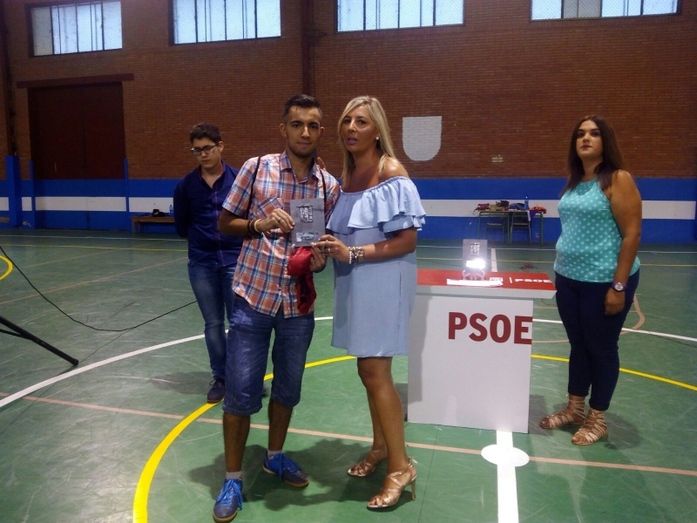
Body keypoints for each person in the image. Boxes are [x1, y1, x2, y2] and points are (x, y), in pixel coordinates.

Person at [211, 94, 340, 523]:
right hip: (253, 299)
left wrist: (319, 260)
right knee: (240, 393)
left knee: (287, 390)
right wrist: (259, 224)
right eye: (297, 124)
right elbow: (225, 223)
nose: (305, 132)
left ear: (321, 132)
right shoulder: (256, 168)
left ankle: (275, 456)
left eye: (313, 125)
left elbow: (319, 246)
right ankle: (232, 478)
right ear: (282, 128)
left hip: (297, 307)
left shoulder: (328, 186)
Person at [318, 96, 426, 510]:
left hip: (383, 281)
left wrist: (352, 253)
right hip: (356, 281)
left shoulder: (390, 172)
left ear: (377, 130)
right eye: (347, 120)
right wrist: (329, 248)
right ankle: (381, 446)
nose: (351, 128)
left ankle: (400, 466)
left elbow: (406, 240)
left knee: (375, 370)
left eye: (361, 121)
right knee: (369, 371)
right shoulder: (347, 177)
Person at [539, 115, 641, 445]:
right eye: (580, 134)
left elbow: (632, 234)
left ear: (605, 141)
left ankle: (597, 418)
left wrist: (618, 286)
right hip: (569, 279)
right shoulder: (575, 182)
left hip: (604, 281)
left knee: (602, 348)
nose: (586, 138)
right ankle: (574, 409)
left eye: (594, 134)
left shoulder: (618, 179)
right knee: (579, 345)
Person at [173, 123, 242, 403]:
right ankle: (221, 378)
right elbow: (181, 226)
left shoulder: (239, 180)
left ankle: (242, 377)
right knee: (213, 323)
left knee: (239, 323)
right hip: (202, 263)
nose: (203, 154)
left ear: (220, 146)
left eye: (207, 148)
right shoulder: (186, 186)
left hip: (236, 261)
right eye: (197, 150)